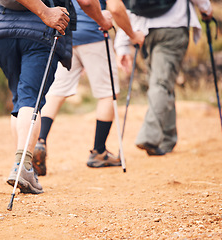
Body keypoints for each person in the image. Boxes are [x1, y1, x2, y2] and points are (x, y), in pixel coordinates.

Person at [0, 0, 114, 194]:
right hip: (41, 30)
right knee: (31, 99)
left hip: (2, 29)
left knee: (19, 99)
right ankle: (23, 166)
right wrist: (102, 19)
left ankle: (22, 164)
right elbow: (87, 1)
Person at [32, 0, 145, 176]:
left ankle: (39, 141)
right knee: (108, 93)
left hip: (65, 34)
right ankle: (99, 151)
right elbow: (115, 7)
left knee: (56, 93)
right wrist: (132, 35)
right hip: (95, 34)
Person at [114, 0, 213, 156]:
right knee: (161, 83)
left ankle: (167, 138)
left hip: (143, 30)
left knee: (162, 81)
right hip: (173, 26)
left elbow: (125, 7)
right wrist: (206, 9)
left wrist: (122, 43)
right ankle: (150, 137)